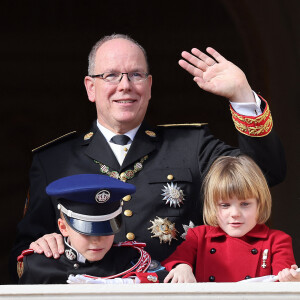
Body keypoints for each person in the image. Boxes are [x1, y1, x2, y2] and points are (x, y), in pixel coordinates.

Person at [10, 33, 286, 282]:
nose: (125, 85)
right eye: (110, 76)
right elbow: (18, 260)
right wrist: (40, 244)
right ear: (90, 87)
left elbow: (264, 174)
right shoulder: (53, 160)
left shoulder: (192, 146)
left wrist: (242, 97)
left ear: (150, 86)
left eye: (136, 75)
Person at [162, 156, 299, 283]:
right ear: (212, 206)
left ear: (260, 204)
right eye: (225, 205)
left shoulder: (277, 241)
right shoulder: (199, 236)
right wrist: (182, 266)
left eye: (245, 204)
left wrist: (290, 279)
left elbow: (282, 280)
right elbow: (171, 263)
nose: (235, 213)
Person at [18, 174, 167, 284]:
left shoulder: (132, 262)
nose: (96, 240)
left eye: (106, 229)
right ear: (63, 227)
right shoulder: (38, 266)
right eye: (87, 231)